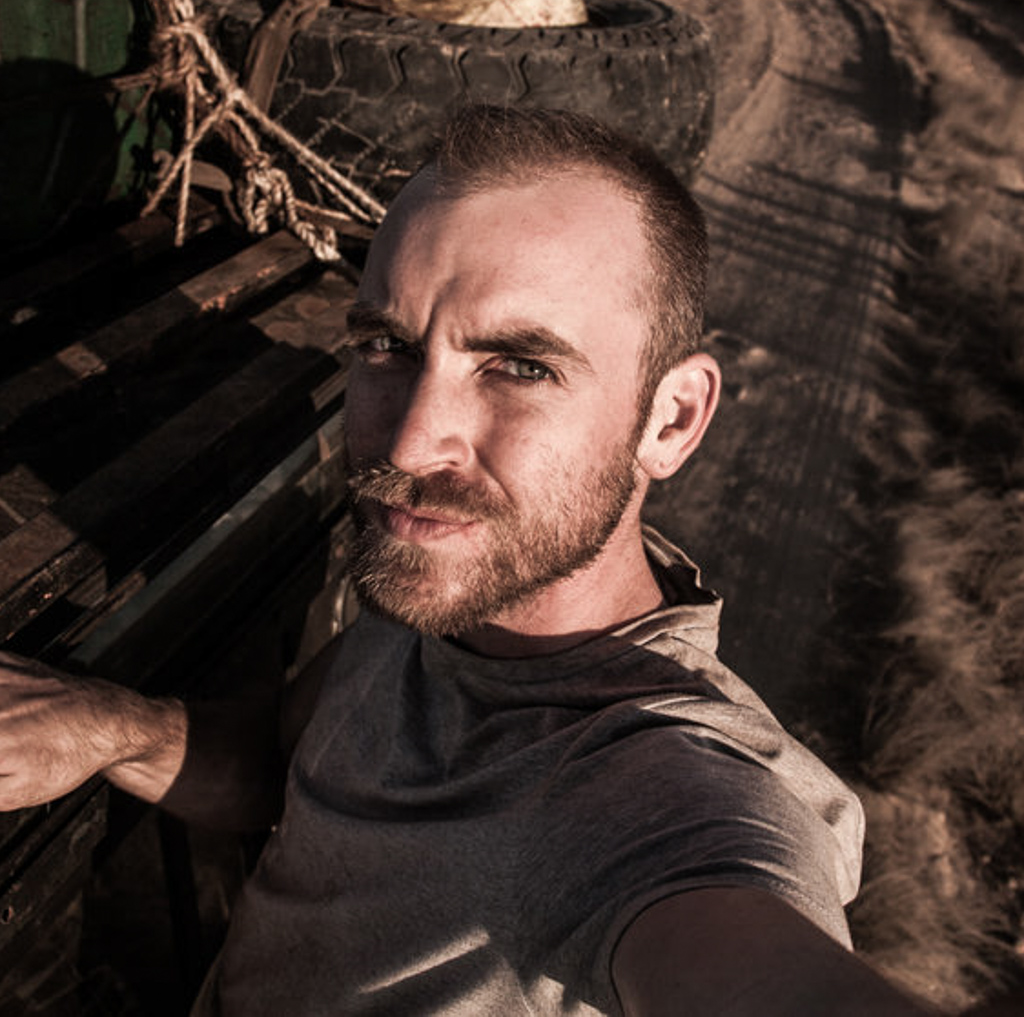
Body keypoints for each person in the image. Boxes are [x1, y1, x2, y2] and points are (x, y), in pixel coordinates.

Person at [0, 106, 954, 1016]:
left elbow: (762, 967)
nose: (412, 446)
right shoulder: (451, 594)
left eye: (521, 366)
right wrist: (106, 728)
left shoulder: (673, 796)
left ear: (670, 420)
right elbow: (279, 766)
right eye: (388, 345)